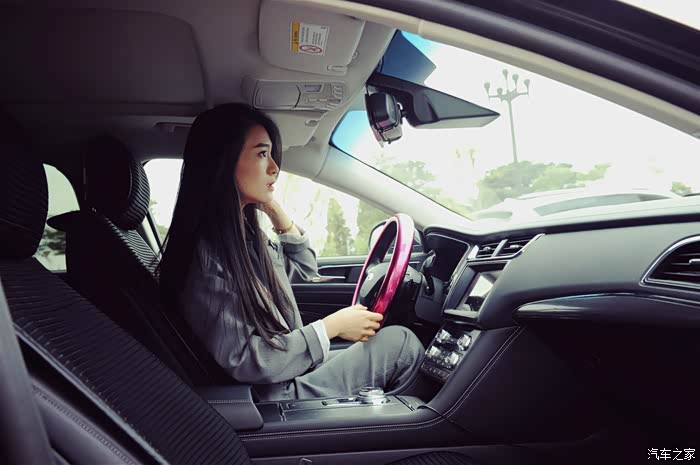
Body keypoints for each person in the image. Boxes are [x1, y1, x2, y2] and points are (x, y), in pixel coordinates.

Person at [158, 103, 424, 401]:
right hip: (272, 399)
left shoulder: (242, 239)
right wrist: (331, 326)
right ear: (223, 161)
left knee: (393, 341)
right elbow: (248, 360)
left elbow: (305, 274)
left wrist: (274, 209)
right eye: (262, 154)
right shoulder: (207, 259)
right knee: (401, 345)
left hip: (287, 374)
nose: (274, 167)